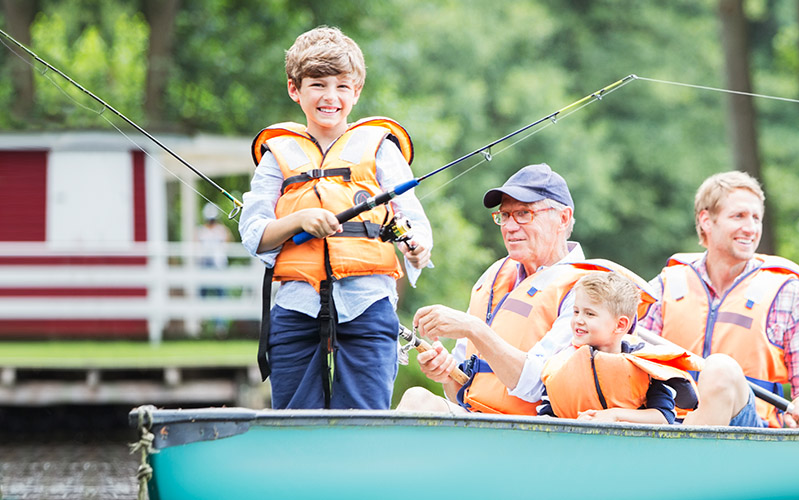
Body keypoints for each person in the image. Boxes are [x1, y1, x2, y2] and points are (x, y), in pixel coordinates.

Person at [238, 26, 433, 410]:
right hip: (297, 305)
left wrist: (418, 247)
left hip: (369, 301)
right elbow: (254, 233)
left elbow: (414, 219)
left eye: (342, 86)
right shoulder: (277, 156)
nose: (331, 97)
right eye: (318, 85)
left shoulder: (380, 148)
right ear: (295, 89)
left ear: (357, 91)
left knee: (364, 416)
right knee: (296, 420)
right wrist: (300, 220)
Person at [398, 163, 651, 415]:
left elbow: (536, 384)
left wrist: (472, 328)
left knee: (416, 401)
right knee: (417, 400)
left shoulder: (587, 290)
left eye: (523, 214)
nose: (509, 226)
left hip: (536, 431)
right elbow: (459, 394)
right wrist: (446, 373)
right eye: (504, 216)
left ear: (563, 218)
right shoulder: (494, 275)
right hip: (480, 423)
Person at [638, 171, 799, 428]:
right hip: (671, 422)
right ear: (706, 221)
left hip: (751, 429)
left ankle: (685, 454)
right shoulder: (664, 287)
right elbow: (634, 366)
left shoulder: (789, 294)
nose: (750, 228)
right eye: (738, 216)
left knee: (720, 368)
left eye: (756, 218)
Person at [538, 272, 700, 424]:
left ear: (620, 325)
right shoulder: (560, 365)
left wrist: (614, 415)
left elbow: (663, 417)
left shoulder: (645, 366)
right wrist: (576, 423)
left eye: (589, 314)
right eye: (576, 311)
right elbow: (547, 417)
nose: (578, 320)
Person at [197, 202, 231, 336]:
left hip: (218, 265)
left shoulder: (221, 230)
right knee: (203, 295)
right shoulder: (201, 231)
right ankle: (203, 322)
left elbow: (227, 243)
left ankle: (220, 325)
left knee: (220, 295)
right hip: (204, 264)